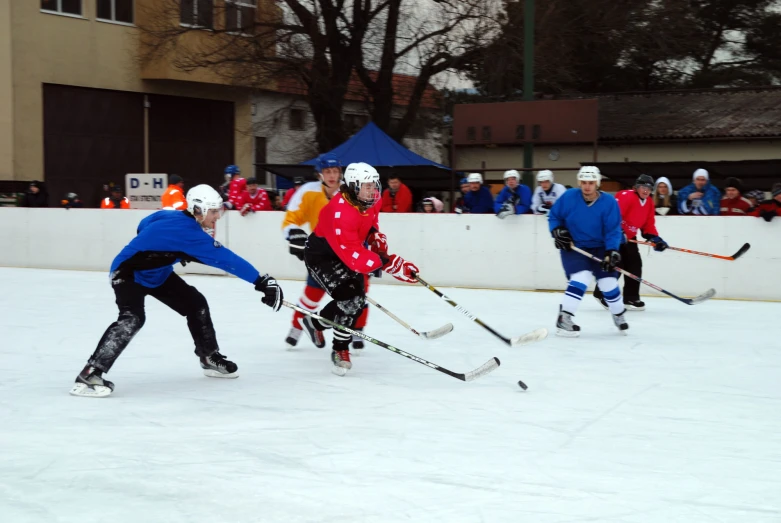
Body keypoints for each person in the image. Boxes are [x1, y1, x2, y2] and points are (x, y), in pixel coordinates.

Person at [69, 185, 284, 397]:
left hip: (158, 274)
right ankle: (91, 373)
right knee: (132, 318)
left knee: (195, 303)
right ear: (198, 210)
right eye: (213, 211)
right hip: (127, 272)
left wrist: (166, 252)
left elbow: (144, 224)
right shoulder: (190, 235)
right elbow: (226, 260)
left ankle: (208, 357)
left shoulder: (169, 215)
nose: (218, 216)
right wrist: (261, 281)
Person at [302, 162, 420, 375]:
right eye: (367, 185)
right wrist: (391, 263)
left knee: (354, 300)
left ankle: (315, 323)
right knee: (351, 299)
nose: (373, 189)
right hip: (323, 257)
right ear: (353, 186)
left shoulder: (371, 199)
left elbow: (370, 222)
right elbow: (354, 257)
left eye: (374, 184)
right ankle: (339, 349)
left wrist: (374, 235)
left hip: (349, 249)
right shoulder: (338, 212)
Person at [281, 153, 371, 351]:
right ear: (320, 174)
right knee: (311, 296)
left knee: (359, 295)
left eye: (335, 171)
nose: (332, 175)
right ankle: (297, 328)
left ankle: (357, 330)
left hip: (350, 255)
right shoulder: (308, 192)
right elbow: (290, 220)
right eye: (327, 171)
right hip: (322, 256)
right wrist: (294, 234)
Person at [548, 166, 628, 336]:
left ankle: (618, 313)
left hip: (601, 247)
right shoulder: (569, 197)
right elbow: (554, 216)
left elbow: (613, 230)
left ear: (597, 183)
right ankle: (564, 319)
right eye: (584, 182)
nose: (587, 186)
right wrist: (557, 230)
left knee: (608, 283)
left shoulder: (609, 202)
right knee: (581, 277)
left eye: (591, 183)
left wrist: (612, 250)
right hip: (575, 247)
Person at [593, 174, 668, 311]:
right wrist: (619, 232)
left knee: (635, 266)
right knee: (616, 265)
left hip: (629, 239)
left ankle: (631, 297)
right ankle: (601, 293)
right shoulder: (627, 196)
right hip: (613, 236)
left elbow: (648, 225)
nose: (646, 190)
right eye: (643, 187)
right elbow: (613, 215)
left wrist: (655, 239)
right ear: (636, 187)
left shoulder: (649, 203)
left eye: (649, 188)